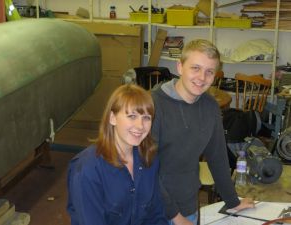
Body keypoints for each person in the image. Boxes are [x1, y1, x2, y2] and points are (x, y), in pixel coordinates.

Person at [151, 39, 255, 225]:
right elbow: (146, 168)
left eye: (209, 72)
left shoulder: (209, 107)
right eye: (195, 68)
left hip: (188, 204)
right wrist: (174, 216)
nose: (202, 77)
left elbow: (218, 157)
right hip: (153, 209)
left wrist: (233, 201)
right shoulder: (153, 105)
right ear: (180, 67)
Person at [67, 84, 168, 225]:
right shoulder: (87, 169)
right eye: (132, 116)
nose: (140, 126)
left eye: (146, 118)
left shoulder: (149, 159)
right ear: (112, 118)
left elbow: (156, 214)